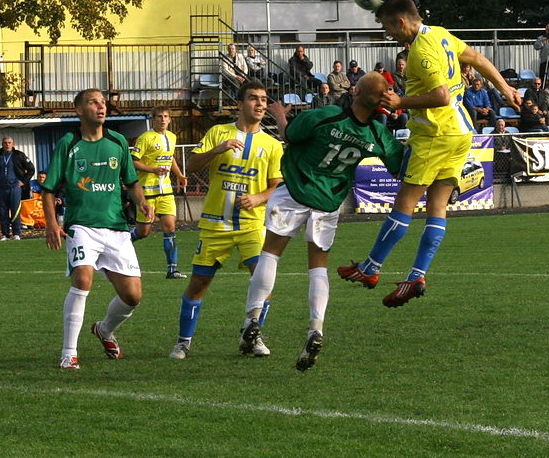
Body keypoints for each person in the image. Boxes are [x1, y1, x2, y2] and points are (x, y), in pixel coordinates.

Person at [337, 0, 520, 308]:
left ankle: (370, 268)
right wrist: (506, 88)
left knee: (404, 204)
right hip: (461, 133)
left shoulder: (421, 52)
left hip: (434, 136)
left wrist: (401, 102)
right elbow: (476, 58)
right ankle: (416, 276)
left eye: (387, 27)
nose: (387, 34)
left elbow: (440, 96)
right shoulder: (441, 34)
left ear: (402, 22)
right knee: (437, 206)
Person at [242, 73, 403, 371]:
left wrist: (279, 115)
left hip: (294, 189)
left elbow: (289, 135)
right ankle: (315, 328)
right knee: (318, 267)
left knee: (270, 254)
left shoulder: (326, 115)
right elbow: (399, 165)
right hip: (328, 202)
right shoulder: (379, 135)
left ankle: (252, 319)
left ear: (354, 91)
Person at [168, 80, 283, 360]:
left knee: (263, 282)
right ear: (241, 103)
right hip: (214, 225)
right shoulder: (219, 132)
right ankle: (183, 342)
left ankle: (252, 334)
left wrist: (258, 198)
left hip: (252, 225)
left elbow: (278, 185)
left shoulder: (271, 144)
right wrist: (217, 150)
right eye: (253, 98)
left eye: (264, 100)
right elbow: (190, 165)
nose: (260, 104)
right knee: (198, 284)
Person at [42, 88, 154, 370]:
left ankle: (103, 330)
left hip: (116, 228)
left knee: (133, 296)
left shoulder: (117, 142)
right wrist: (53, 224)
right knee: (82, 280)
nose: (101, 107)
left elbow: (131, 183)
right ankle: (69, 353)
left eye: (103, 103)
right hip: (81, 226)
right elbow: (48, 189)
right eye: (93, 102)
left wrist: (141, 202)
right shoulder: (69, 144)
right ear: (79, 110)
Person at [129, 106, 188, 279]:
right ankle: (122, 240)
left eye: (166, 117)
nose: (163, 119)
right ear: (153, 118)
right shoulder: (145, 138)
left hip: (166, 191)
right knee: (144, 232)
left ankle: (172, 269)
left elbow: (170, 159)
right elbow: (134, 161)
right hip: (146, 192)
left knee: (170, 227)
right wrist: (152, 169)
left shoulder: (172, 137)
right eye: (159, 116)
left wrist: (179, 175)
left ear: (170, 119)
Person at [0, 137, 35, 241]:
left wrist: (23, 182)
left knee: (15, 210)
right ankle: (5, 234)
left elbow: (31, 169)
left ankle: (16, 233)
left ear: (13, 144)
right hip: (1, 188)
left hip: (15, 187)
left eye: (9, 143)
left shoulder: (19, 155)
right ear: (2, 144)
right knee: (3, 211)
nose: (7, 145)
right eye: (5, 143)